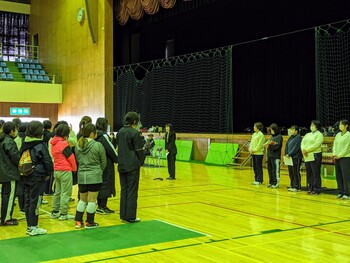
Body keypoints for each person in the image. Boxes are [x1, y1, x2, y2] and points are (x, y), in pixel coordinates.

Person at [21, 121, 53, 235]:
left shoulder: (24, 143)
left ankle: (30, 226)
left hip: (26, 174)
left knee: (28, 201)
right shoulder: (40, 145)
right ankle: (34, 226)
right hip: (38, 175)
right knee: (35, 201)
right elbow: (47, 161)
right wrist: (49, 172)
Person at [74, 123, 106, 229]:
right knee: (92, 200)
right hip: (94, 176)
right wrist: (98, 171)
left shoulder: (78, 145)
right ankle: (89, 222)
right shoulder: (98, 145)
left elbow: (78, 161)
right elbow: (103, 162)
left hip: (82, 176)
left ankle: (78, 221)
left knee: (82, 199)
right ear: (92, 133)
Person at [116, 112, 145, 223]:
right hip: (132, 165)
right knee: (132, 191)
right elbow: (139, 150)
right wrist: (141, 162)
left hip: (122, 164)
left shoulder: (120, 132)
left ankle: (123, 215)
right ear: (134, 122)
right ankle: (131, 216)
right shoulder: (135, 133)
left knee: (124, 190)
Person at [50, 124, 77, 220]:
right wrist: (74, 169)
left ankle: (55, 211)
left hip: (56, 170)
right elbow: (71, 157)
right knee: (66, 193)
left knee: (57, 192)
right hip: (65, 170)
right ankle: (64, 213)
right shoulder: (63, 143)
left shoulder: (53, 142)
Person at [95, 117, 118, 214]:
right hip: (106, 164)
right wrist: (117, 159)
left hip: (96, 163)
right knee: (105, 183)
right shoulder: (104, 136)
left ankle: (99, 205)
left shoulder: (94, 135)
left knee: (99, 184)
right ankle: (102, 206)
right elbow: (111, 150)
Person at [0, 122, 20, 226]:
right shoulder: (9, 142)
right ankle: (6, 219)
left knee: (5, 196)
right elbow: (16, 157)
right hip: (10, 173)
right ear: (12, 131)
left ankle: (4, 216)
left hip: (3, 172)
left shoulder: (2, 139)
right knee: (9, 196)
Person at [301, 120, 324, 195]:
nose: (311, 126)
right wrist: (303, 149)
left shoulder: (319, 135)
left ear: (317, 126)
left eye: (313, 125)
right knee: (309, 172)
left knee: (315, 173)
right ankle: (310, 187)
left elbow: (316, 145)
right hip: (307, 155)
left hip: (315, 155)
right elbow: (302, 142)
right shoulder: (307, 134)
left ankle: (316, 188)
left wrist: (307, 150)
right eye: (311, 125)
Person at [332, 120, 350, 199]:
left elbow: (347, 147)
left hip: (345, 158)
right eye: (339, 124)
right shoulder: (338, 135)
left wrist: (340, 155)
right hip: (337, 158)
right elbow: (334, 145)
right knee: (338, 176)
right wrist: (334, 153)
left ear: (346, 126)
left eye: (341, 124)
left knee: (345, 176)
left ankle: (347, 193)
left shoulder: (348, 135)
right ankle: (341, 191)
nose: (340, 126)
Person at [284, 125, 303, 192]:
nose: (291, 131)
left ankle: (297, 186)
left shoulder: (299, 138)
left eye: (292, 130)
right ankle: (292, 185)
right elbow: (286, 146)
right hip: (289, 157)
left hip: (296, 157)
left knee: (296, 171)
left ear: (296, 131)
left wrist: (290, 154)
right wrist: (286, 153)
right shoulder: (290, 138)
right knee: (291, 172)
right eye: (290, 129)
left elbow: (296, 148)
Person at [265, 123, 283, 188]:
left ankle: (276, 183)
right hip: (269, 155)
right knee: (270, 170)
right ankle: (271, 182)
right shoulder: (271, 137)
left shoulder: (279, 137)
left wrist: (270, 145)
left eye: (272, 130)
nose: (271, 131)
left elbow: (277, 146)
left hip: (275, 156)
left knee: (275, 170)